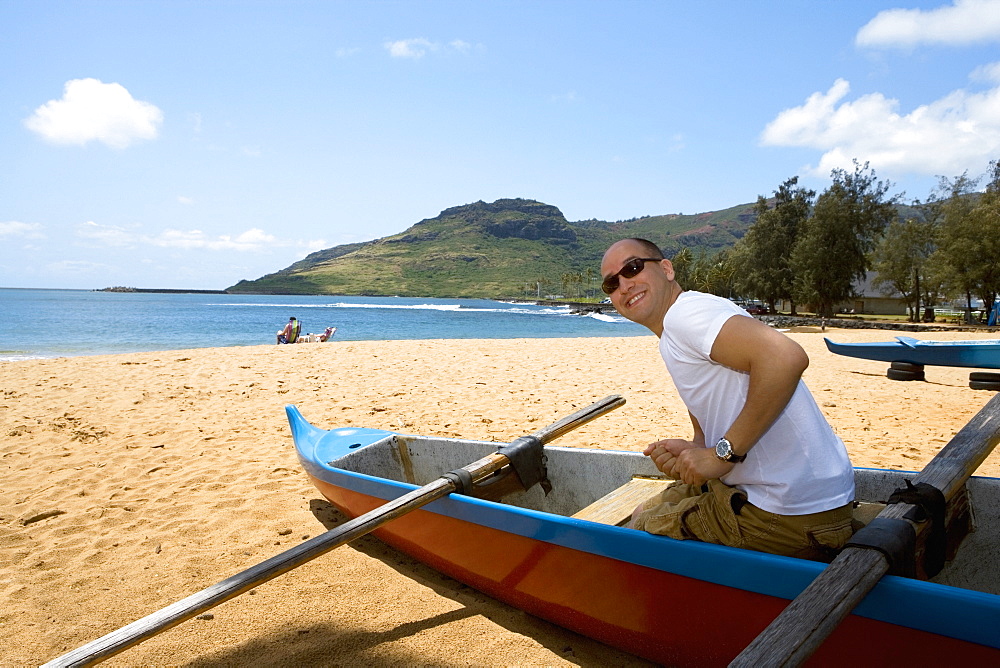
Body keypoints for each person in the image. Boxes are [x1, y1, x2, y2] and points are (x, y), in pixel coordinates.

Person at [600, 238, 855, 560]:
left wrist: (722, 455)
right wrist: (697, 450)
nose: (624, 285)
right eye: (612, 283)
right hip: (814, 496)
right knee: (645, 509)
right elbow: (714, 421)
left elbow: (785, 357)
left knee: (638, 529)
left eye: (633, 268)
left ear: (665, 269)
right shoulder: (681, 325)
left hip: (788, 511)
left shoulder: (686, 317)